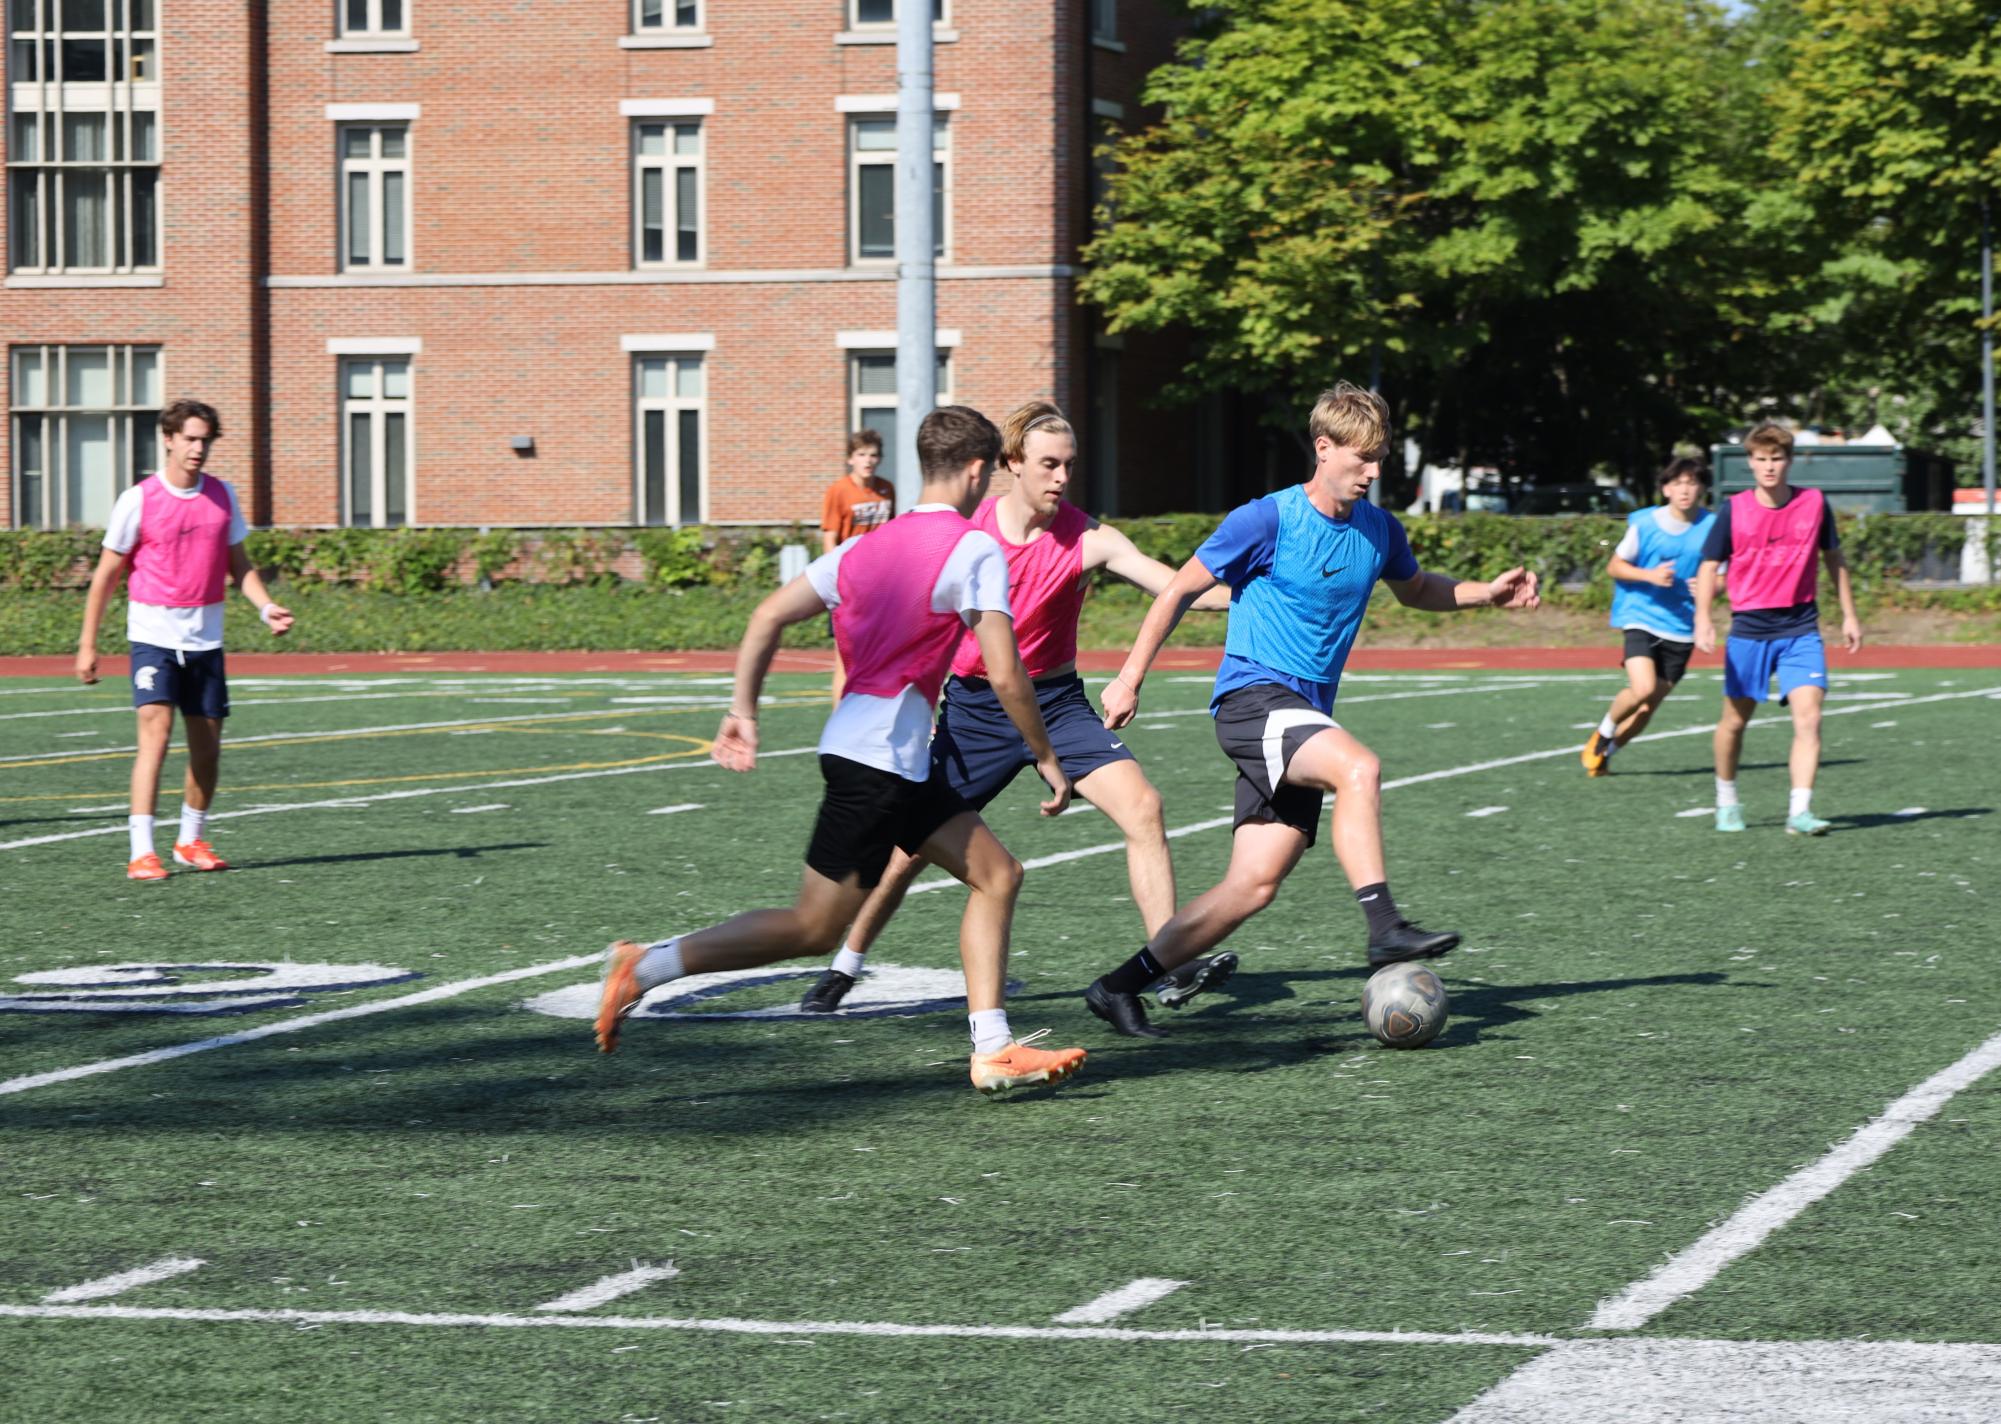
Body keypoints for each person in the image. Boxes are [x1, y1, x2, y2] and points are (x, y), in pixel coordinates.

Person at [595, 406, 1089, 1097]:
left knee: (998, 875)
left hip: (891, 755)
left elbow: (767, 614)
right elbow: (1006, 673)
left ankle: (992, 1049)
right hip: (879, 761)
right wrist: (1044, 753)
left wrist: (742, 711)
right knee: (810, 928)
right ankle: (643, 966)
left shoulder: (865, 546)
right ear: (979, 471)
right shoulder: (972, 546)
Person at [1088, 382, 1541, 1038]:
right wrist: (1128, 679)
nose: (1373, 471)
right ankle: (1383, 926)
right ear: (1322, 449)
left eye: (1379, 457)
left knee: (1253, 884)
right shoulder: (1264, 520)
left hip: (1299, 714)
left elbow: (1416, 589)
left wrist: (1484, 595)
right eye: (1361, 458)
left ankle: (1117, 986)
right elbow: (1178, 591)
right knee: (1357, 767)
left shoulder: (1379, 528)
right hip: (1252, 700)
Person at [798, 399, 1237, 1016]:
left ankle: (1168, 965)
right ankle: (846, 965)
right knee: (907, 850)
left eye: (1069, 465)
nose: (1062, 477)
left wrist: (1262, 595)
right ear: (1010, 464)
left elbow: (1179, 588)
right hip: (976, 710)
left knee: (1144, 807)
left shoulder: (1090, 539)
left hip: (1056, 704)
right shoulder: (965, 533)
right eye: (1049, 464)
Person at [74, 399, 296, 880]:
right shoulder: (138, 499)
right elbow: (107, 575)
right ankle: (141, 851)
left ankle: (190, 839)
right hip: (153, 636)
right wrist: (87, 644)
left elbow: (239, 564)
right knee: (155, 739)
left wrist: (265, 606)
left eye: (206, 440)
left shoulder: (222, 496)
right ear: (169, 439)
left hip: (206, 639)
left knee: (208, 749)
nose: (199, 448)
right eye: (190, 438)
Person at [1693, 422, 1862, 835]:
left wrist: (1849, 613)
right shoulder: (1734, 509)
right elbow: (1708, 565)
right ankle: (1726, 799)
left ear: (1790, 460)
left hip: (1801, 627)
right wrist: (1703, 618)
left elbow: (1834, 559)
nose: (1769, 467)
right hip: (1749, 629)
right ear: (1750, 462)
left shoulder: (1815, 503)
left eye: (1777, 458)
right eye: (1762, 459)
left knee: (1810, 718)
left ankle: (1799, 811)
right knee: (1734, 722)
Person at [1580, 457, 1715, 776]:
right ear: (1666, 489)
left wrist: (1711, 586)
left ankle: (1606, 754)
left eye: (1692, 482)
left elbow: (1723, 576)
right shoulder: (1644, 523)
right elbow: (1614, 567)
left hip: (1681, 628)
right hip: (1640, 616)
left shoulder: (1712, 527)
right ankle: (1603, 732)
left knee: (1647, 707)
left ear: (1703, 489)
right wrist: (1649, 576)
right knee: (1641, 688)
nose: (1685, 489)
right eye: (1678, 482)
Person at [821, 429, 897, 704]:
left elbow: (890, 533)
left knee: (880, 653)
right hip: (850, 582)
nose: (868, 460)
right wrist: (838, 579)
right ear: (850, 459)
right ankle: (838, 720)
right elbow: (829, 537)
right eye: (861, 454)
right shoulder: (838, 491)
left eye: (873, 455)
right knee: (845, 656)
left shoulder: (886, 489)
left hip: (878, 583)